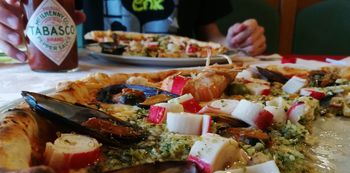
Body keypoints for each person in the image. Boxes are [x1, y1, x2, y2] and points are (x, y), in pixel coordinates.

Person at [0, 0, 266, 63]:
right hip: (97, 79)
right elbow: (41, 12)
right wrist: (11, 22)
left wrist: (236, 41)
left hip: (186, 78)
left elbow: (213, 38)